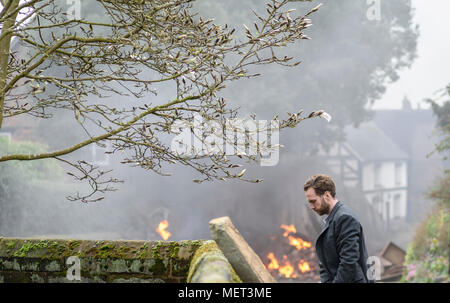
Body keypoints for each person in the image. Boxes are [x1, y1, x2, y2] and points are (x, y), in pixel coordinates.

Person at [303, 174, 374, 283]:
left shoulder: (344, 218)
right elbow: (324, 260)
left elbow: (348, 263)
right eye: (309, 202)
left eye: (313, 201)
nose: (311, 207)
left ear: (327, 195)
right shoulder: (332, 218)